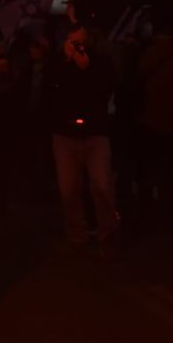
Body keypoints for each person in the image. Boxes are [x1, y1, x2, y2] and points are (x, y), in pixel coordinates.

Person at [43, 24, 119, 253]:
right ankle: (77, 234)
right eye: (73, 43)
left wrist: (87, 69)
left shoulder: (100, 62)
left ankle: (107, 234)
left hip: (95, 132)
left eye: (81, 43)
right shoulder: (56, 63)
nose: (78, 48)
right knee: (69, 189)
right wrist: (65, 64)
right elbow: (48, 92)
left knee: (102, 186)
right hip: (65, 134)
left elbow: (105, 90)